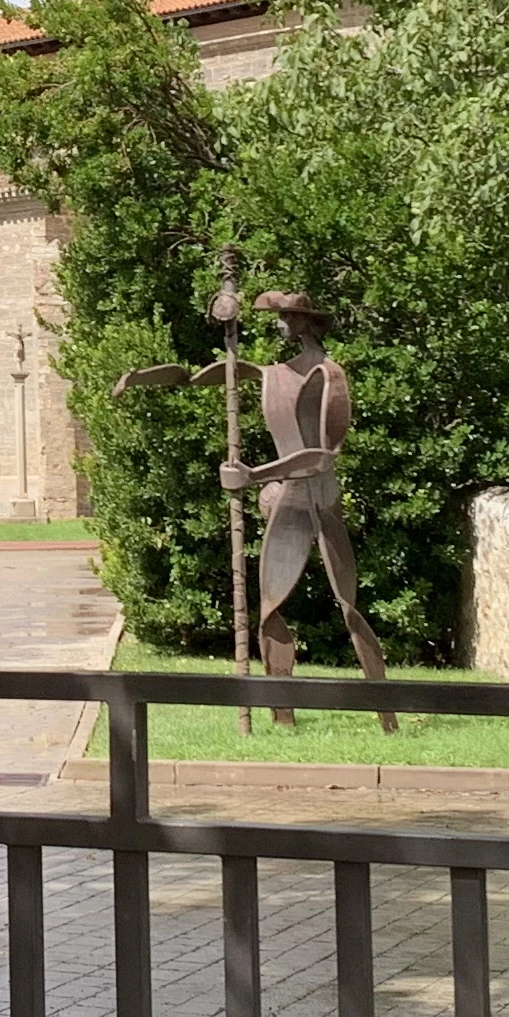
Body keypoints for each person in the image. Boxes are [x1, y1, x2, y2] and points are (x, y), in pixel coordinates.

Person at [220, 289, 396, 731]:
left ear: (304, 322)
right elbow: (223, 373)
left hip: (319, 500)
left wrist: (254, 475)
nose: (279, 325)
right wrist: (150, 378)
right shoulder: (276, 373)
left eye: (285, 317)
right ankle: (283, 717)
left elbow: (322, 456)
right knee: (270, 608)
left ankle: (387, 715)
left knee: (348, 606)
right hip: (288, 505)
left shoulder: (328, 374)